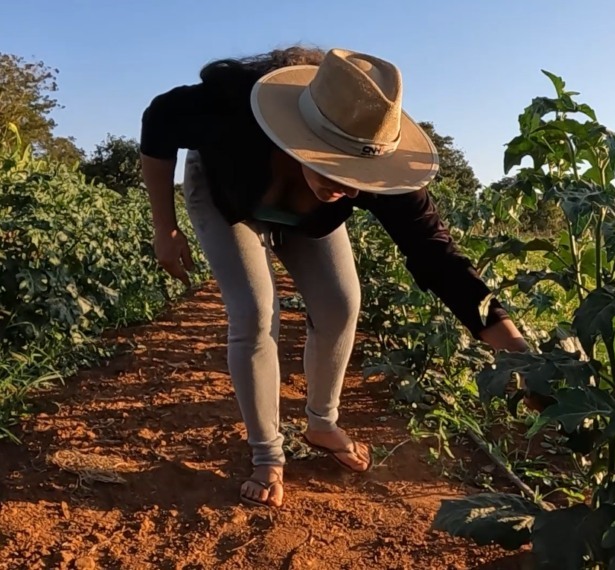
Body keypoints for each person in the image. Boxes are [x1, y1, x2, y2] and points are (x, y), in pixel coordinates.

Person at [139, 45, 530, 508]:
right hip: (231, 197)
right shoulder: (229, 111)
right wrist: (164, 228)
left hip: (306, 218)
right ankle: (267, 454)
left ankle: (322, 423)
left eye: (357, 173)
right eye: (331, 162)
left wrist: (522, 358)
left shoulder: (377, 162)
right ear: (301, 134)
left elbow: (439, 258)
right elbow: (158, 122)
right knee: (254, 310)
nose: (345, 184)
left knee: (341, 303)